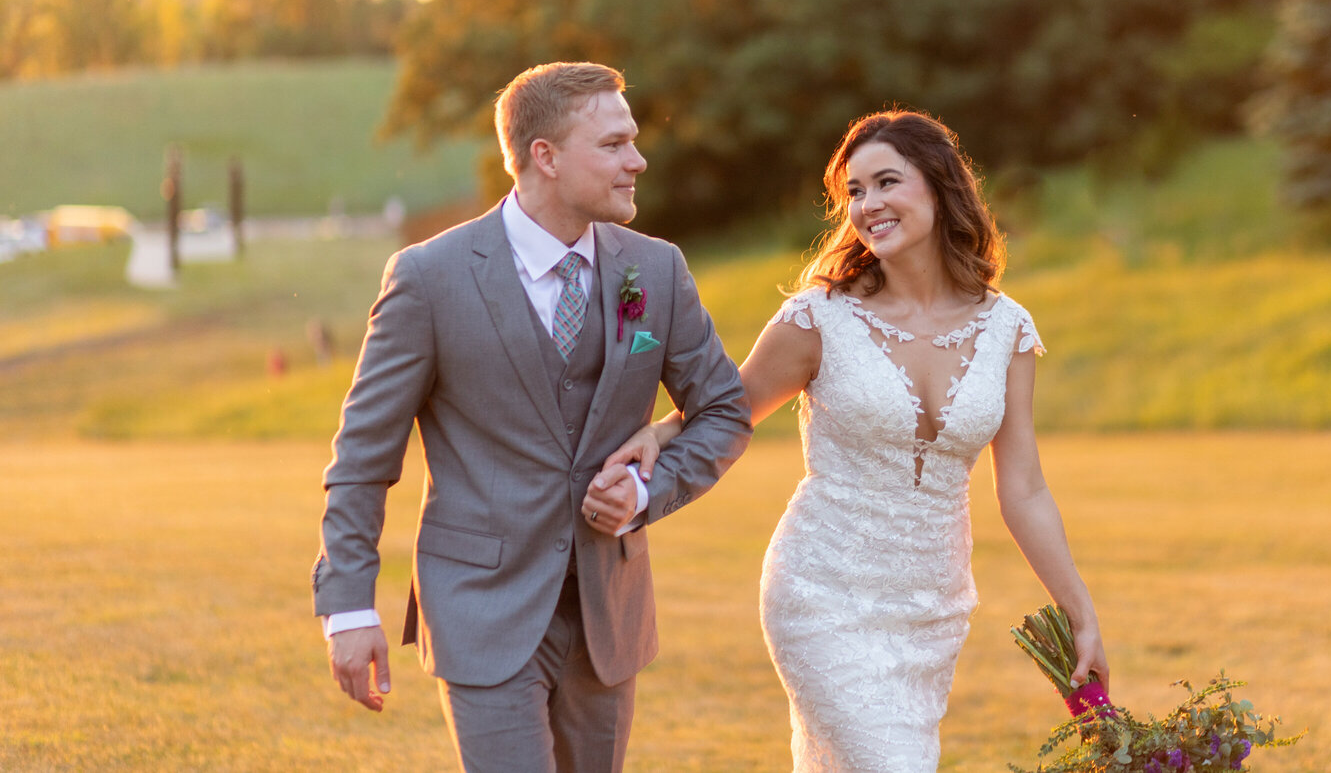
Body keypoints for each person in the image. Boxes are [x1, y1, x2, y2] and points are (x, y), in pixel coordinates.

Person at [593, 109, 1109, 772]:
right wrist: (657, 434)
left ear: (940, 186)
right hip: (822, 592)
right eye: (856, 192)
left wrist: (1080, 610)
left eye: (886, 182)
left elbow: (1025, 488)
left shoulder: (1007, 327)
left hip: (934, 609)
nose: (869, 205)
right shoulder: (819, 317)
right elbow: (728, 410)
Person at [311, 62, 752, 773]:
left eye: (632, 140)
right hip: (480, 607)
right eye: (612, 145)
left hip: (607, 614)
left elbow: (724, 409)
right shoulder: (430, 278)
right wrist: (349, 604)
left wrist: (645, 493)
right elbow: (363, 457)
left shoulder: (657, 270)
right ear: (544, 156)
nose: (637, 159)